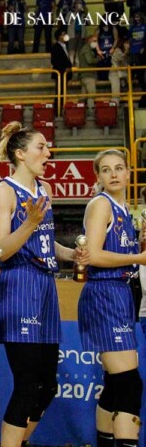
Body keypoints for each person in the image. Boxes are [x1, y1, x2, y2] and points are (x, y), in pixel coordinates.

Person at [0, 122, 88, 447]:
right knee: (28, 384)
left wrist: (71, 254)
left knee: (47, 387)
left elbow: (45, 242)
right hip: (18, 287)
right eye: (41, 147)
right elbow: (0, 249)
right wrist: (29, 223)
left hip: (45, 287)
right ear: (20, 153)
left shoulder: (43, 189)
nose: (48, 152)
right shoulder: (4, 191)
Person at [79, 149, 144, 447]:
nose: (114, 174)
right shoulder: (101, 204)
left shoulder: (124, 208)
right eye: (106, 170)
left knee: (116, 383)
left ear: (129, 172)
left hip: (120, 292)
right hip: (104, 292)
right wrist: (138, 258)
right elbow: (93, 255)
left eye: (119, 168)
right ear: (99, 176)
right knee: (129, 384)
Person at [51, 27, 73, 116]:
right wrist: (64, 69)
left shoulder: (66, 46)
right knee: (59, 93)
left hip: (65, 74)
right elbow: (54, 61)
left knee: (63, 93)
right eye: (63, 34)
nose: (65, 36)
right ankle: (57, 112)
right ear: (59, 37)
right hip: (60, 74)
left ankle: (62, 110)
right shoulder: (55, 47)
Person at [78, 35, 100, 110]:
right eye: (94, 41)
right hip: (88, 75)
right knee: (91, 94)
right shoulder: (86, 49)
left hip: (85, 75)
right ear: (89, 41)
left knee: (83, 96)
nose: (96, 42)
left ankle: (79, 110)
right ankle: (91, 109)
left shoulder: (88, 49)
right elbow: (90, 60)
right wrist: (98, 59)